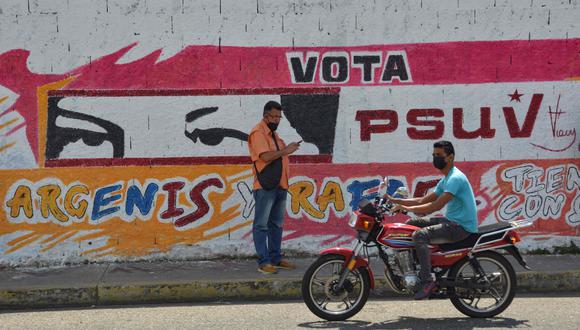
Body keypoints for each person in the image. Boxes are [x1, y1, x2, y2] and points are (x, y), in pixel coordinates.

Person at [387, 140, 478, 299]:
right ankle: (418, 266)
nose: (435, 158)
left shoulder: (455, 178)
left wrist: (407, 209)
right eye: (434, 155)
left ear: (450, 157)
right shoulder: (447, 178)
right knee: (410, 225)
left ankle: (427, 280)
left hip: (460, 227)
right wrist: (396, 201)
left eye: (439, 155)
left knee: (419, 235)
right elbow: (423, 200)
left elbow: (435, 206)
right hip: (451, 222)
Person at [248, 101, 301, 274]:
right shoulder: (258, 133)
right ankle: (264, 262)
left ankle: (276, 258)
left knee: (276, 224)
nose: (277, 120)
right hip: (265, 185)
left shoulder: (274, 135)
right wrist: (287, 150)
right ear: (265, 115)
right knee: (261, 225)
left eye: (279, 117)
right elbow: (265, 156)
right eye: (274, 116)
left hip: (280, 184)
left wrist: (286, 149)